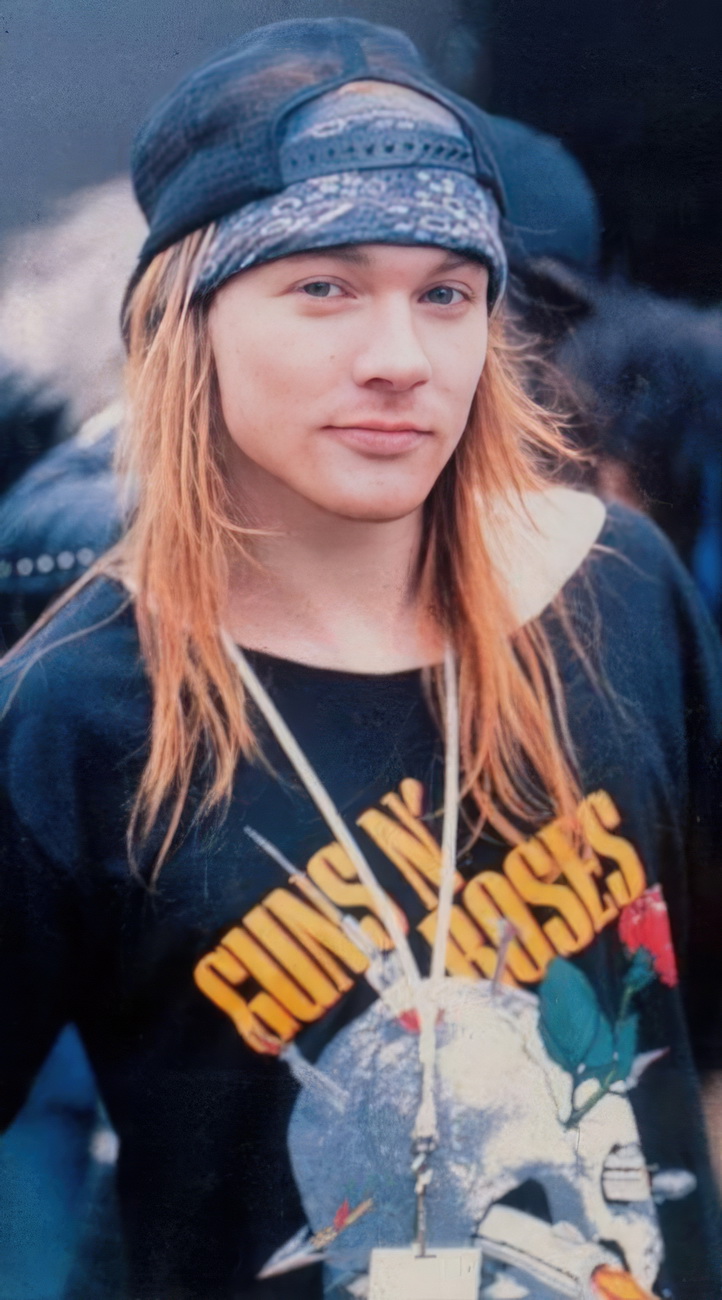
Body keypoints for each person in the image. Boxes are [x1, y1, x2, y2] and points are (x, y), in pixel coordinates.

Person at [0, 16, 720, 1300]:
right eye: (322, 287)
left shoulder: (614, 587)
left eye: (445, 292)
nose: (397, 360)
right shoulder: (84, 704)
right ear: (185, 323)